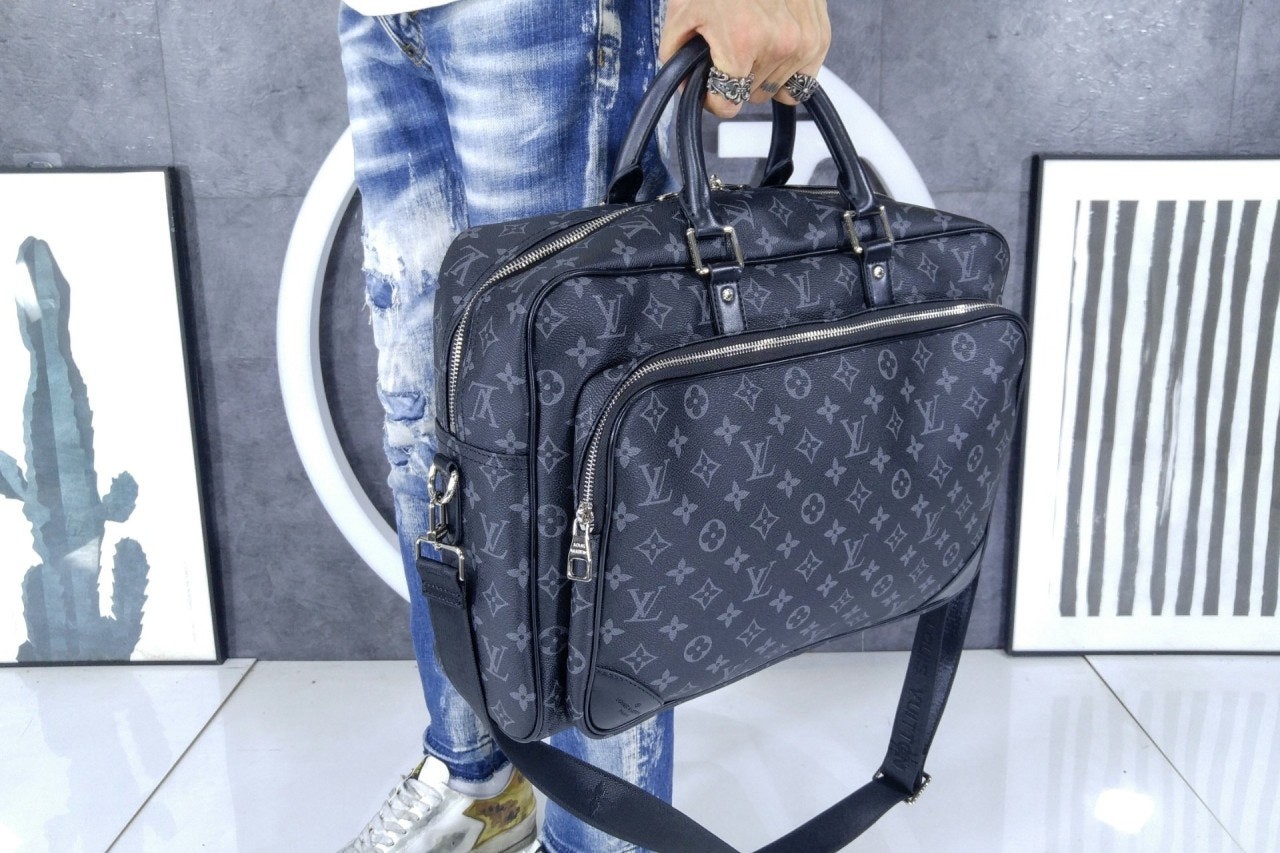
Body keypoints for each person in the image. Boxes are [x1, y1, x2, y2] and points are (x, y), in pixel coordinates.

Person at [336, 1, 831, 850]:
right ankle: (480, 780)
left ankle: (601, 837)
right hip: (380, 13)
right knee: (426, 428)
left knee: (576, 458)